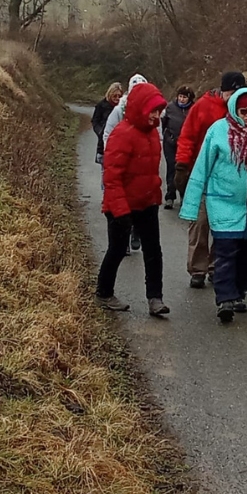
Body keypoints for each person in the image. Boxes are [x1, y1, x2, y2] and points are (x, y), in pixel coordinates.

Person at [180, 88, 247, 323]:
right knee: (226, 252)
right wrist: (191, 206)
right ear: (235, 110)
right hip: (222, 201)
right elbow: (202, 168)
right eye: (243, 111)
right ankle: (225, 299)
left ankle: (239, 293)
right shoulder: (218, 130)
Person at [96, 81, 170, 317]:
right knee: (117, 250)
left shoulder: (152, 134)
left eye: (158, 111)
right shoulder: (122, 134)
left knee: (153, 252)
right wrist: (121, 211)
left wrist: (155, 196)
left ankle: (155, 298)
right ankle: (104, 292)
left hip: (146, 203)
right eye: (152, 110)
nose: (156, 115)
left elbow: (151, 172)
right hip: (121, 206)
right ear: (139, 108)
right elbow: (112, 177)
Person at [175, 71, 247, 288]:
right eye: (231, 93)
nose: (234, 98)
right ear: (223, 91)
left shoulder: (246, 111)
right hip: (203, 173)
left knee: (223, 225)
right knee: (200, 223)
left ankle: (217, 266)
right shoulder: (203, 107)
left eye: (238, 93)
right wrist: (182, 164)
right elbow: (187, 135)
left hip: (230, 176)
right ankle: (198, 268)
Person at [105, 74, 151, 253]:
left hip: (142, 167)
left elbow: (158, 136)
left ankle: (136, 232)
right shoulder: (119, 110)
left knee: (140, 202)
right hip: (121, 163)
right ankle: (122, 241)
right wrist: (113, 156)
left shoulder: (152, 111)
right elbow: (108, 133)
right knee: (121, 202)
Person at [161, 86, 194, 210]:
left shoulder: (193, 109)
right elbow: (164, 123)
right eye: (180, 96)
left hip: (186, 144)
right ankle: (170, 196)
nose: (182, 99)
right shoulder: (170, 107)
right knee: (171, 168)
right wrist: (166, 136)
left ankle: (184, 196)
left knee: (184, 169)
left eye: (184, 97)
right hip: (170, 142)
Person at [92, 82, 122, 164]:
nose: (117, 98)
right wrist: (100, 132)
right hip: (103, 144)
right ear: (110, 94)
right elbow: (95, 121)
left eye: (119, 96)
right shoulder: (101, 106)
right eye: (115, 96)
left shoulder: (122, 108)